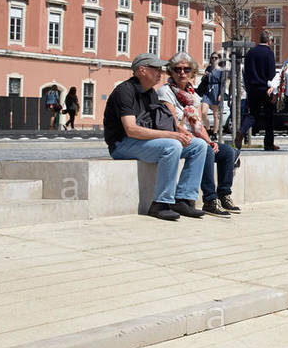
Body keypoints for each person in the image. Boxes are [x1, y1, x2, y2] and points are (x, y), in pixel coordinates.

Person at [103, 53, 208, 220]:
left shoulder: (150, 92)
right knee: (171, 146)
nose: (161, 72)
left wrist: (180, 131)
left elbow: (158, 121)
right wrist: (171, 135)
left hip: (143, 142)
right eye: (156, 69)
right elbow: (131, 129)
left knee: (199, 146)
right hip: (122, 144)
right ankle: (161, 203)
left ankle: (184, 199)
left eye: (161, 69)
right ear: (142, 70)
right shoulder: (124, 91)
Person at [159, 52, 241, 217]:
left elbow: (199, 125)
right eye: (177, 69)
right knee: (206, 150)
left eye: (186, 69)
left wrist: (209, 140)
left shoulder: (193, 96)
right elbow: (173, 123)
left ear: (192, 73)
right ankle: (210, 200)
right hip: (177, 137)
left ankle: (224, 194)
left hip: (193, 138)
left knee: (227, 152)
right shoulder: (165, 92)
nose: (182, 72)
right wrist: (203, 142)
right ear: (171, 72)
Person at [240, 32, 278, 150]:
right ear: (269, 41)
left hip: (252, 89)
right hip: (265, 89)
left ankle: (242, 131)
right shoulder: (269, 53)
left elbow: (245, 72)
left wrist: (248, 87)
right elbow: (272, 74)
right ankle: (268, 143)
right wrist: (273, 91)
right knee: (269, 116)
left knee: (252, 114)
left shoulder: (250, 53)